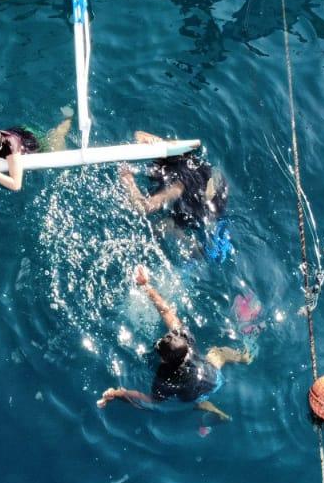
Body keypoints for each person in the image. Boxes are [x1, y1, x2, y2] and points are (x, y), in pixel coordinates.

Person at [96, 266, 251, 420]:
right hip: (213, 377)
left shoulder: (164, 377)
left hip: (194, 394)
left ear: (164, 359)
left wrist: (119, 394)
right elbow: (167, 311)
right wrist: (146, 286)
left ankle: (210, 408)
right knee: (217, 353)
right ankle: (244, 358)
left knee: (197, 400)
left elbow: (151, 399)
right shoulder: (186, 340)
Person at [120, 131, 231, 260]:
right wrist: (151, 140)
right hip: (213, 192)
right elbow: (137, 134)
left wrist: (128, 180)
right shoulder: (179, 156)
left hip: (200, 205)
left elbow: (143, 208)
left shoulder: (177, 186)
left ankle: (196, 250)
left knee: (161, 226)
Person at [0, 117, 73, 192]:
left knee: (56, 146)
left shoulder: (12, 151)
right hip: (19, 132)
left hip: (34, 140)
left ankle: (68, 118)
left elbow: (16, 185)